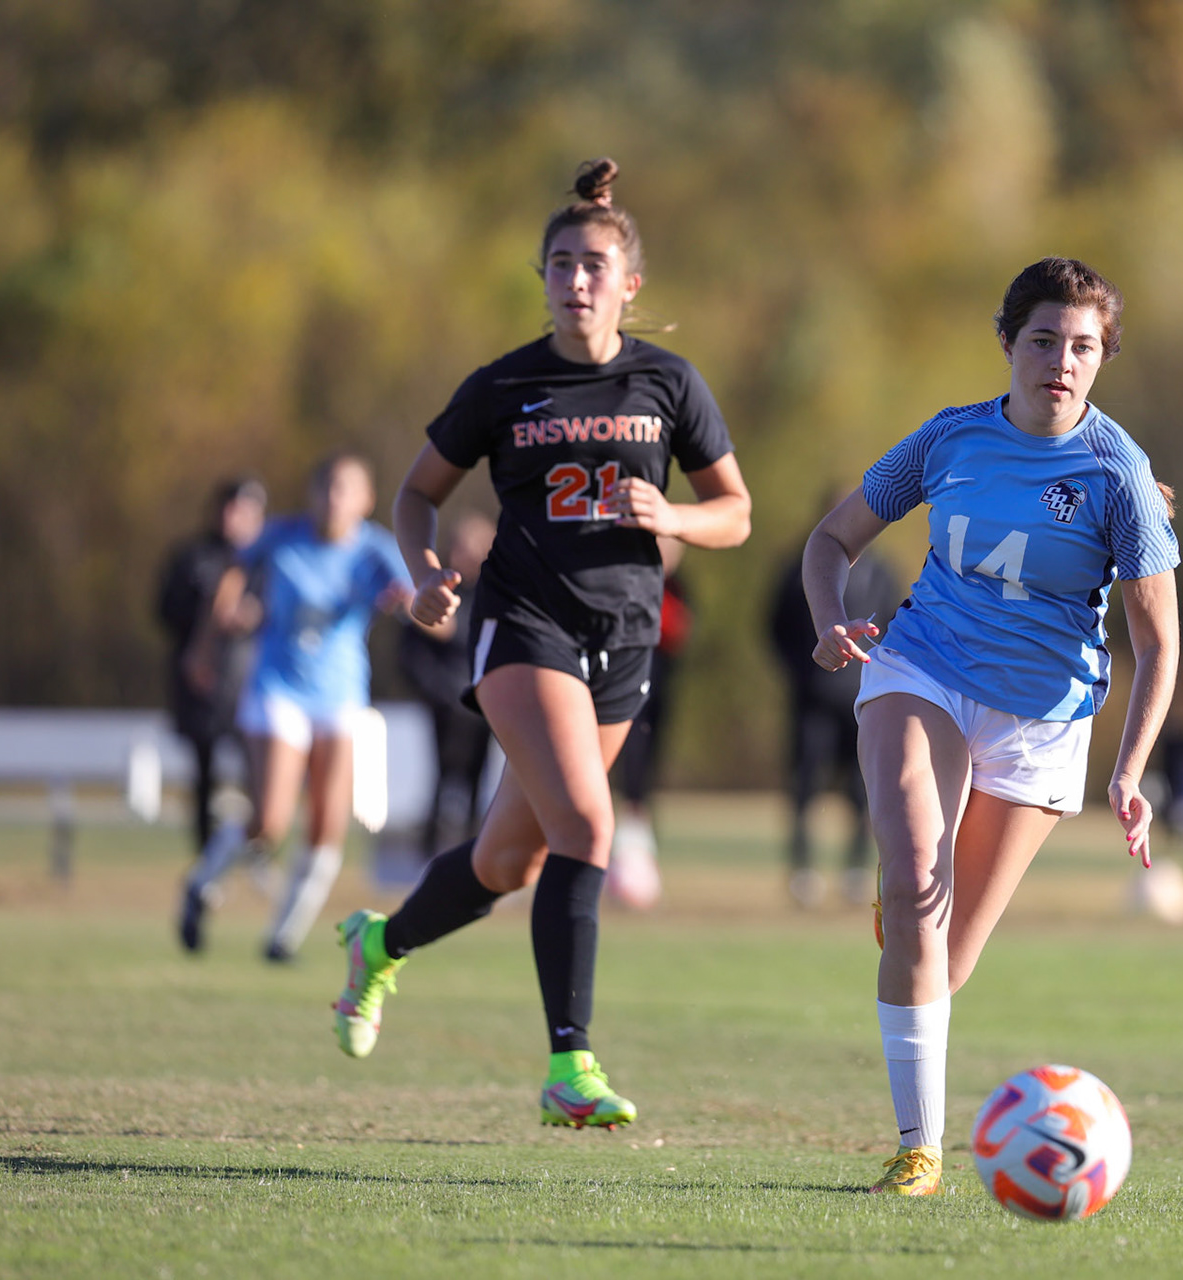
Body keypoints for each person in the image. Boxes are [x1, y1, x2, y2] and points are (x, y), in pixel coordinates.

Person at [327, 159, 750, 1132]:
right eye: (560, 264)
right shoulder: (506, 383)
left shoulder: (668, 380)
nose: (576, 280)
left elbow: (738, 511)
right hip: (526, 624)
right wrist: (425, 565)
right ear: (545, 277)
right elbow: (414, 491)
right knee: (589, 834)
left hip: (626, 640)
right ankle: (572, 1061)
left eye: (595, 264)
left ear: (629, 282)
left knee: (510, 860)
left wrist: (677, 518)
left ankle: (379, 943)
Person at [801, 257, 1180, 1194]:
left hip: (1044, 722)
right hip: (920, 666)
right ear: (1009, 342)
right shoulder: (949, 440)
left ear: (1102, 361)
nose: (1061, 360)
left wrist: (1128, 774)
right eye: (1044, 339)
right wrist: (830, 621)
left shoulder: (1117, 475)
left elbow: (1158, 645)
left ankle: (908, 912)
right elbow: (829, 540)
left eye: (1083, 347)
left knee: (942, 957)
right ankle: (917, 1150)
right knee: (919, 886)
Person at [178, 453, 414, 961]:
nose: (333, 499)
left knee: (328, 825)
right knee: (270, 820)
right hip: (277, 688)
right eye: (325, 487)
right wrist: (208, 638)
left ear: (366, 500)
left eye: (345, 489)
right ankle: (200, 885)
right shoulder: (282, 536)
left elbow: (428, 613)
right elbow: (232, 574)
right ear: (311, 493)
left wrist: (409, 604)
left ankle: (283, 937)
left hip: (341, 694)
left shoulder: (376, 550)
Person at [768, 505, 905, 907]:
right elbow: (774, 626)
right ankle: (802, 870)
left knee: (864, 789)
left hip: (861, 698)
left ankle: (856, 870)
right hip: (811, 697)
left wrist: (880, 676)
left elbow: (897, 622)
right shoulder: (799, 569)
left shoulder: (881, 570)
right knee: (804, 785)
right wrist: (799, 670)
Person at [157, 476, 267, 855]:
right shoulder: (191, 557)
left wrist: (255, 617)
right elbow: (164, 612)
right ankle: (206, 854)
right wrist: (209, 615)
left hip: (251, 682)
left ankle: (258, 850)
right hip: (201, 683)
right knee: (204, 774)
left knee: (260, 774)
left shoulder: (269, 559)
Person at [397, 511, 498, 861]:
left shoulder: (496, 592)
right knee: (440, 780)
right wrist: (435, 690)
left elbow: (463, 633)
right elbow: (411, 653)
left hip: (484, 703)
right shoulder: (436, 589)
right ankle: (428, 854)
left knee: (476, 782)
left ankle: (472, 853)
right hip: (444, 703)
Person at [606, 536, 690, 911]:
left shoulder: (679, 587)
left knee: (646, 777)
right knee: (628, 773)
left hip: (661, 690)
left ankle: (640, 860)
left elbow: (682, 632)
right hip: (624, 690)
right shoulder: (626, 581)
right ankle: (622, 862)